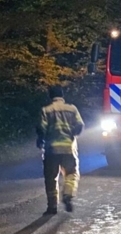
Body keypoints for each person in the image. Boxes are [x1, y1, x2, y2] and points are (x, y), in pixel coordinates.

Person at [36, 86, 85, 214]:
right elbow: (80, 125)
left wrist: (40, 140)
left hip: (51, 149)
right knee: (71, 174)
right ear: (62, 96)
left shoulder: (46, 110)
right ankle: (68, 194)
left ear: (50, 96)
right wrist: (73, 134)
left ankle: (52, 207)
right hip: (68, 148)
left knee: (51, 178)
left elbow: (41, 128)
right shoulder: (72, 109)